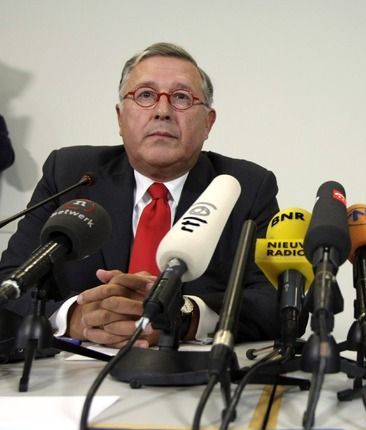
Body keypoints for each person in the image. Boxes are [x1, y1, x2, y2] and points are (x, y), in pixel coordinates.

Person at [0, 42, 280, 351]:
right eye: (145, 95)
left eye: (181, 98)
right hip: (75, 373)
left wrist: (184, 315)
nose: (162, 111)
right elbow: (9, 282)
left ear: (208, 123)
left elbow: (276, 302)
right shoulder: (69, 175)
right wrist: (74, 316)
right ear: (120, 117)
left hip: (192, 379)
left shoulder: (246, 187)